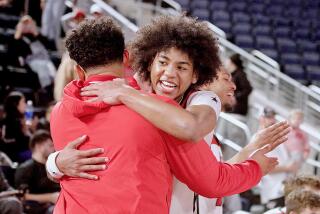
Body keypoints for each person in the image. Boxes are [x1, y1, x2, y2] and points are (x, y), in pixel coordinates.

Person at [48, 16, 280, 214]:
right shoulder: (159, 115)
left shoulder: (60, 112)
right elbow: (211, 180)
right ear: (131, 58)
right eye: (164, 62)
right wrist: (255, 167)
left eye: (181, 67)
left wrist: (54, 163)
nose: (169, 73)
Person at [259, 107, 299, 210]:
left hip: (283, 190)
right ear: (261, 118)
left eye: (273, 117)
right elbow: (263, 167)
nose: (272, 120)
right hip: (272, 192)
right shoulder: (258, 139)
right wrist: (288, 168)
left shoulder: (275, 137)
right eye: (268, 117)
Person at [15, 130, 60, 214]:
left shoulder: (51, 167)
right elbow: (22, 196)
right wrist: (50, 197)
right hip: (41, 207)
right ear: (38, 146)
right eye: (50, 145)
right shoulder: (25, 168)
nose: (54, 149)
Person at [2, 91, 31, 163]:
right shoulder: (11, 122)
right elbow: (19, 143)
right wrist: (27, 132)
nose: (25, 105)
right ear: (15, 105)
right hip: (15, 155)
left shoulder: (19, 119)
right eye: (23, 102)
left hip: (21, 152)